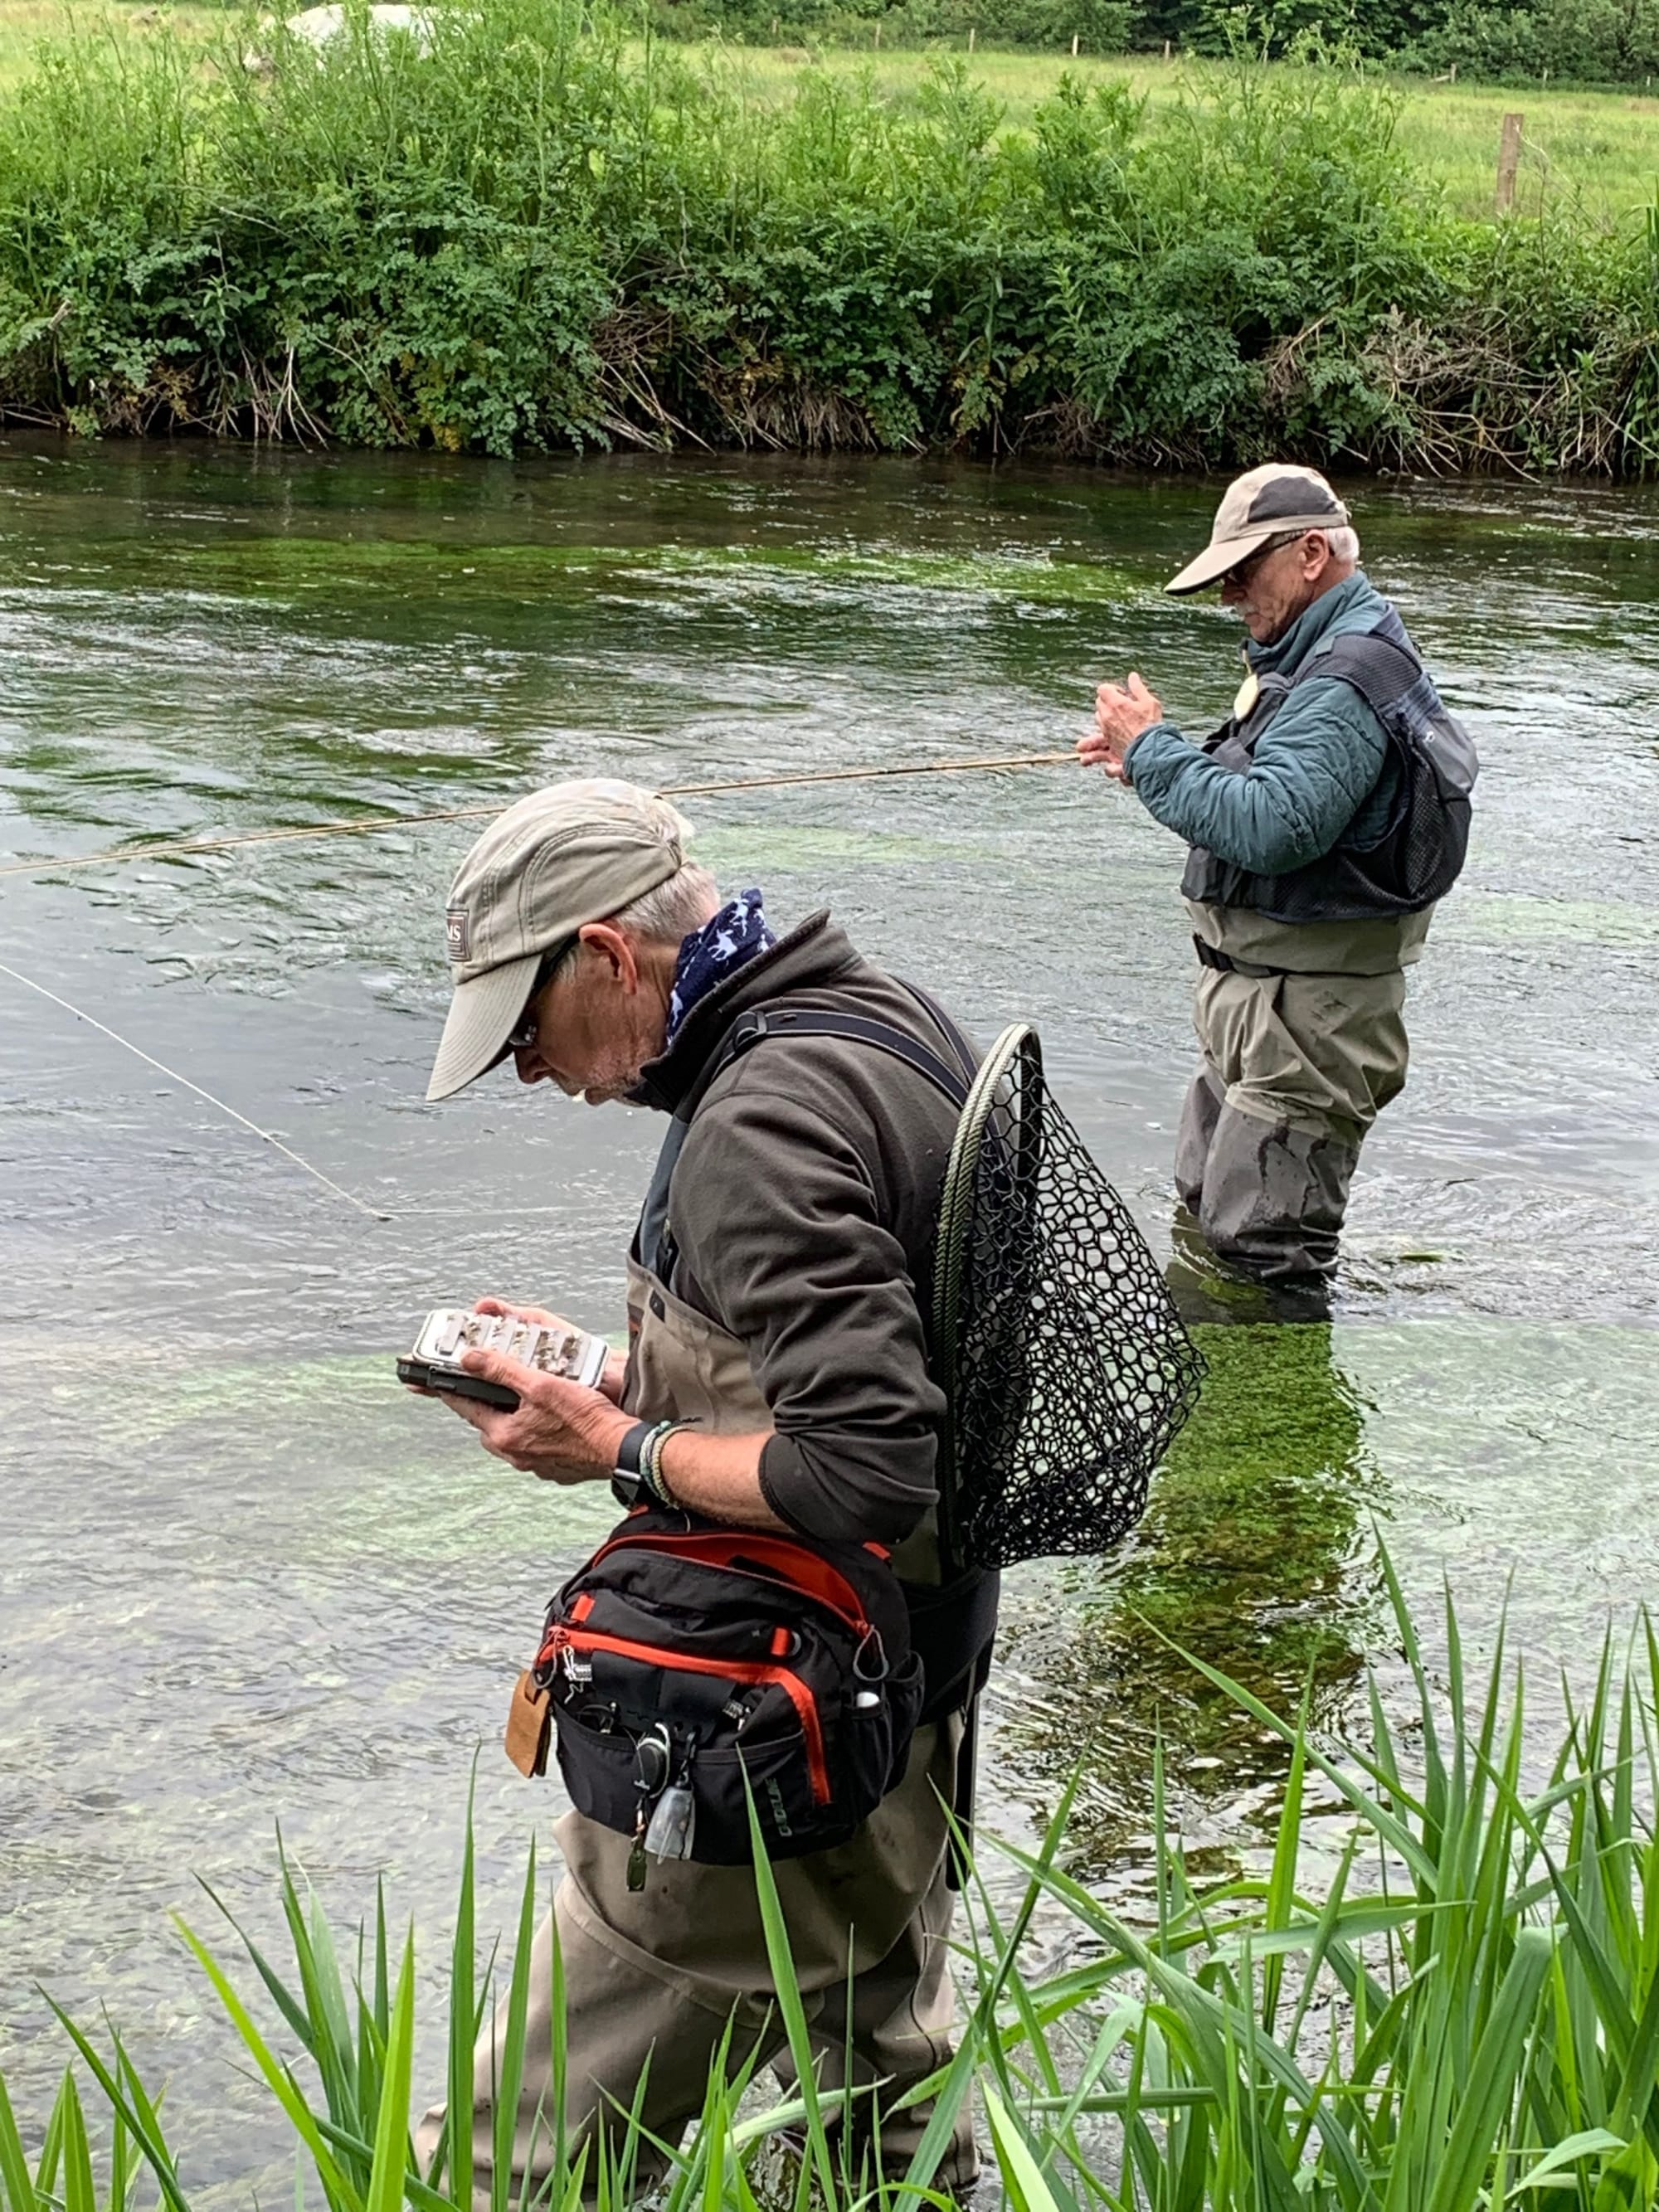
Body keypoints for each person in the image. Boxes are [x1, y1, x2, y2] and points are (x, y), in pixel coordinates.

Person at [411, 778, 995, 2200]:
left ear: (608, 955)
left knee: (500, 2165)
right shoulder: (877, 1015)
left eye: (526, 1032)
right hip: (909, 1693)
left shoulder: (757, 1122)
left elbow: (861, 1459)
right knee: (883, 2116)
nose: (530, 1074)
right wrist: (606, 1375)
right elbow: (846, 1363)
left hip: (767, 1725)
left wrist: (606, 1445)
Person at [1078, 464, 1475, 1291]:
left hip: (1306, 1025)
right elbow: (1268, 790)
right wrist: (1154, 765)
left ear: (1307, 554)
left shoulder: (1342, 680)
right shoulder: (1313, 655)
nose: (1227, 593)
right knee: (1204, 1238)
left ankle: (1275, 1422)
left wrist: (1153, 751)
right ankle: (1234, 1414)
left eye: (1240, 571)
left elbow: (1275, 825)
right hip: (1264, 1016)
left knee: (1260, 1272)